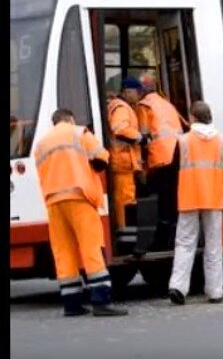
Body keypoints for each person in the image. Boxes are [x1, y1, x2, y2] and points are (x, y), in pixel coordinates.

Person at [33, 108, 128, 317]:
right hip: (79, 197)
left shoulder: (41, 145)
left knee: (64, 251)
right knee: (91, 248)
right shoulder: (79, 133)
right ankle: (101, 300)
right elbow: (102, 159)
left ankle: (72, 303)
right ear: (70, 119)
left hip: (54, 202)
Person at [168, 101, 223, 305]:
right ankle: (215, 291)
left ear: (192, 117)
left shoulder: (183, 141)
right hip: (214, 198)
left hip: (188, 197)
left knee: (185, 244)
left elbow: (174, 172)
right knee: (214, 245)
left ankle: (178, 287)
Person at [136, 73, 186, 250]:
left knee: (162, 203)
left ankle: (162, 242)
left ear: (142, 90)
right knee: (173, 201)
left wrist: (141, 165)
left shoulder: (144, 106)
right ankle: (173, 239)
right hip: (177, 156)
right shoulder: (167, 104)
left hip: (160, 158)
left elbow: (142, 137)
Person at [107, 77, 147, 229]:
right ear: (129, 92)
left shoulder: (117, 106)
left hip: (121, 162)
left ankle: (125, 231)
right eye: (138, 92)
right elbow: (120, 129)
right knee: (126, 200)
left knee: (123, 200)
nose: (139, 96)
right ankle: (126, 234)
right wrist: (141, 138)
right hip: (123, 162)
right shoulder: (122, 108)